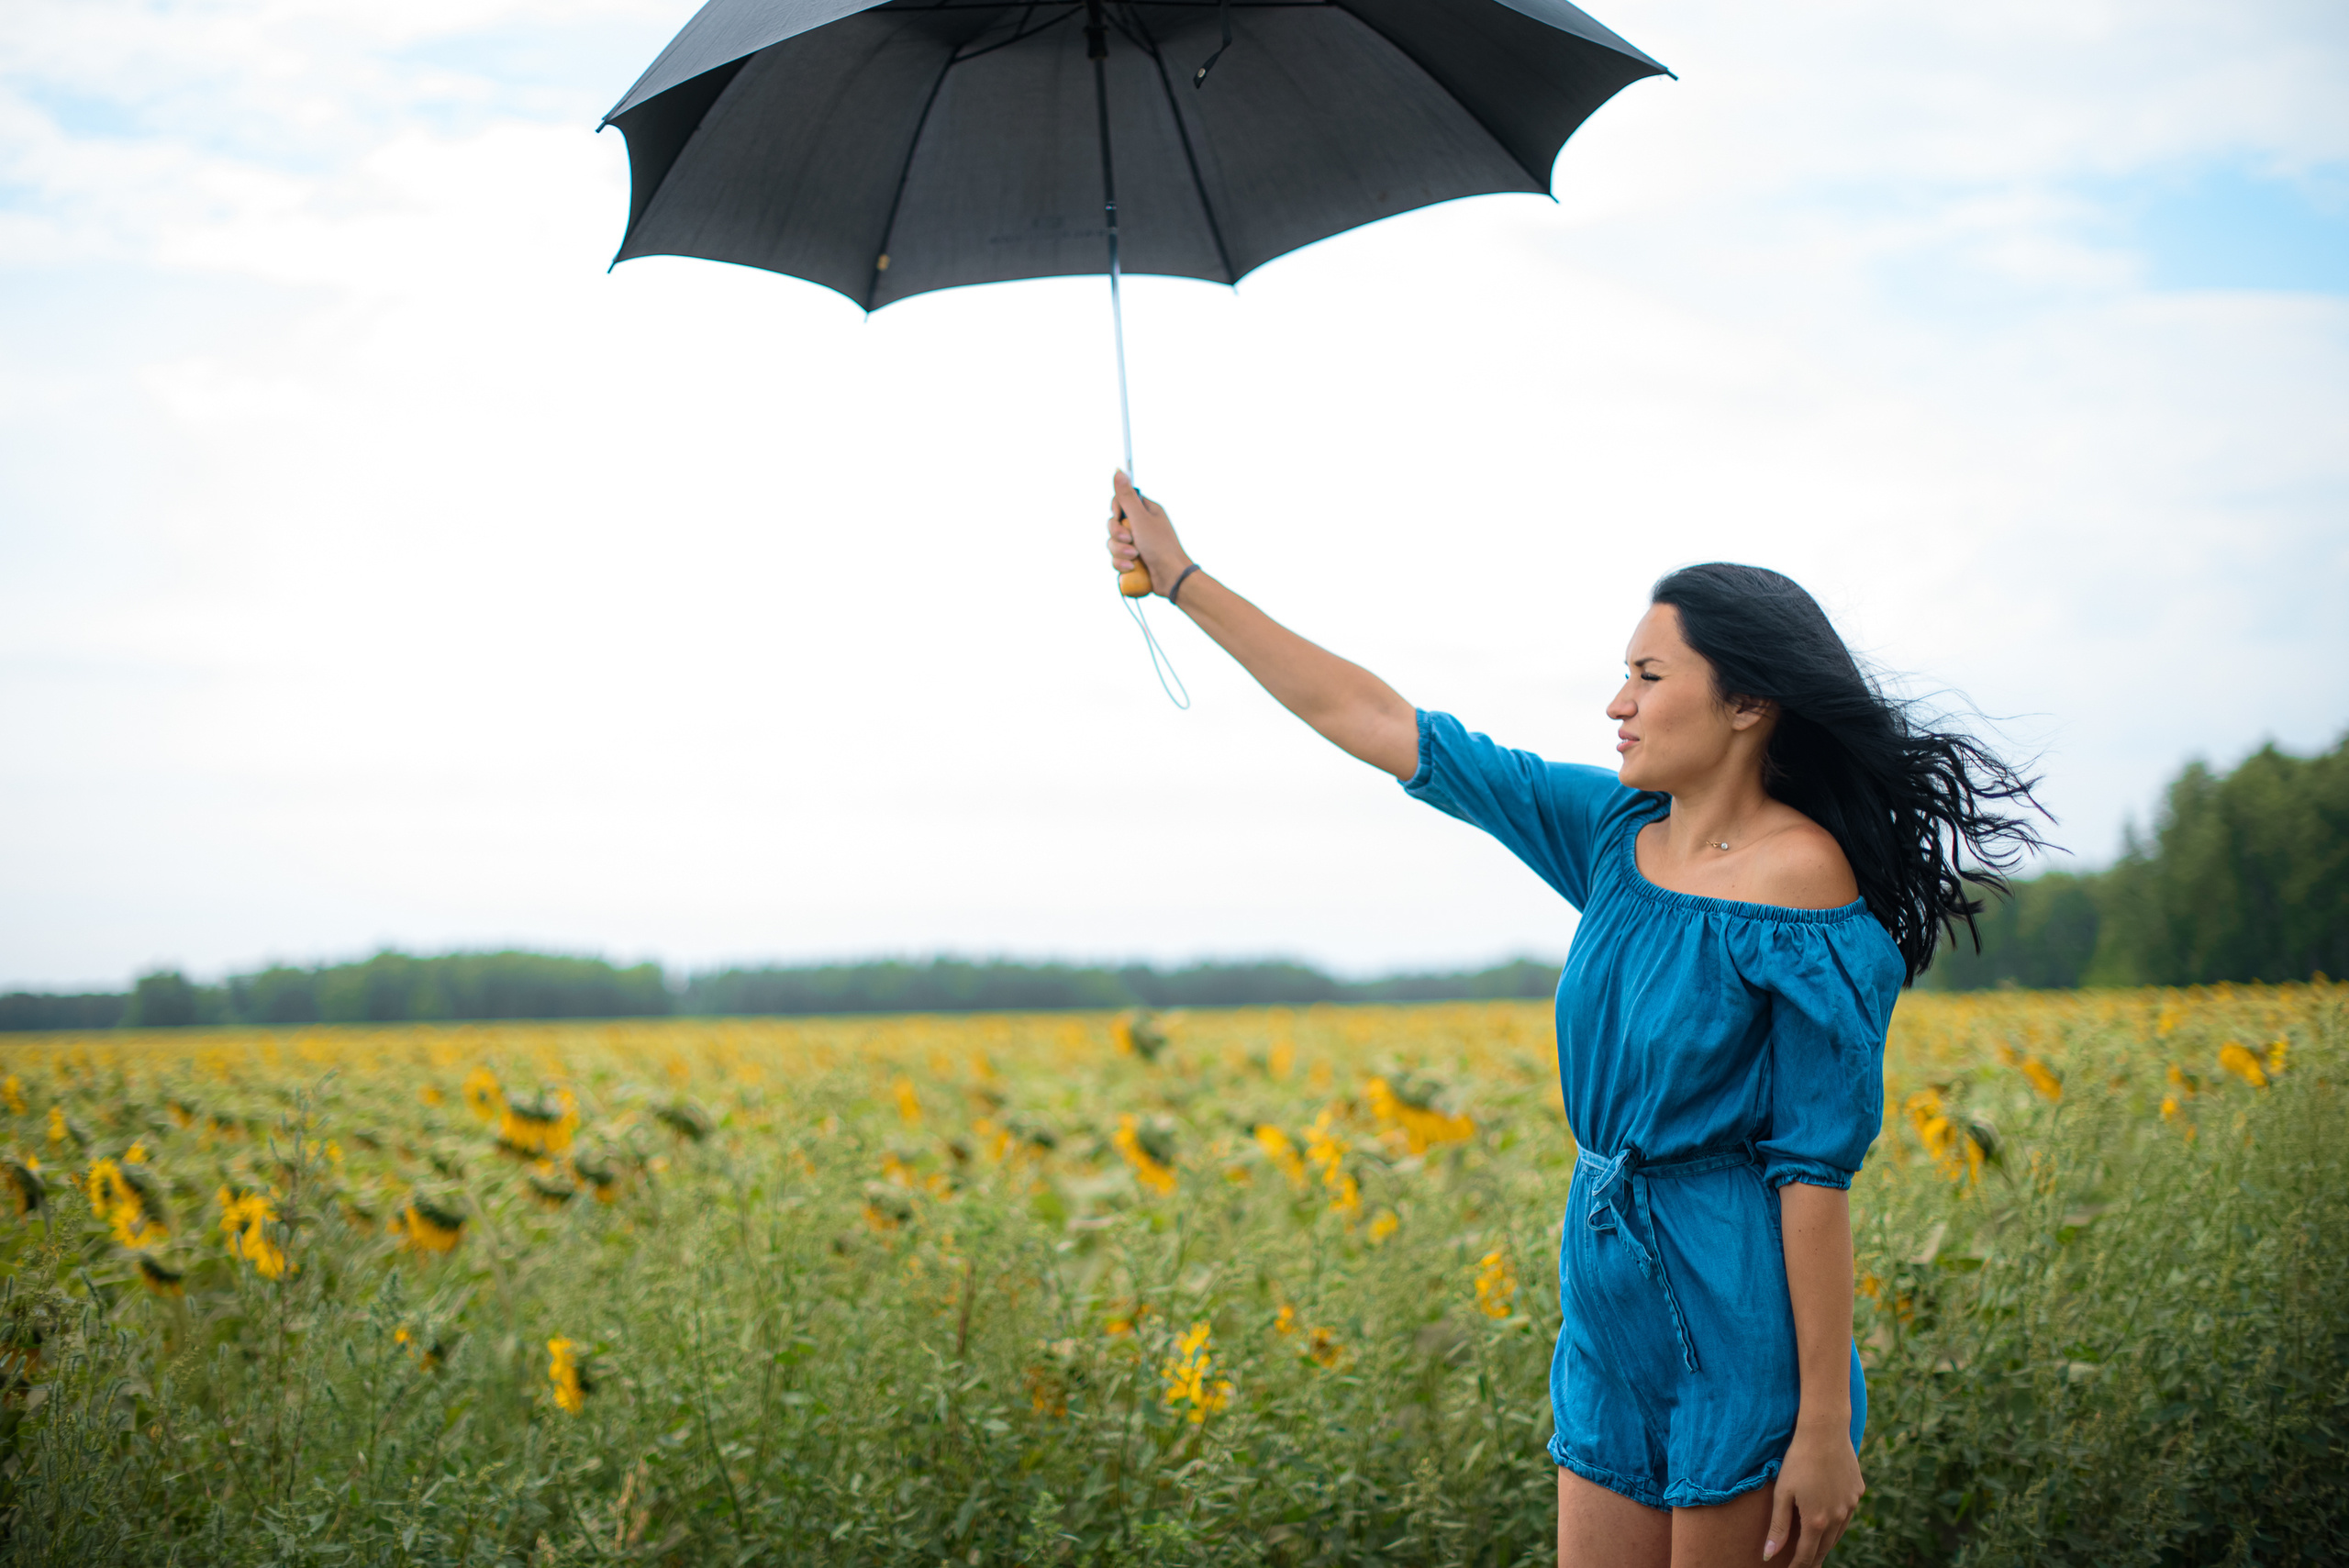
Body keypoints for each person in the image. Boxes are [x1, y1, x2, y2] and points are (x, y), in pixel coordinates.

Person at [1103, 473, 2046, 1568]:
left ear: (1749, 703)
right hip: (1604, 1285)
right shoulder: (1613, 831)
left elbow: (1813, 1178)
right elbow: (1374, 720)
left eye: (1648, 675)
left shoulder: (1802, 884)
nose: (1617, 703)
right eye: (1622, 676)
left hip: (1735, 1302)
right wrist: (1178, 578)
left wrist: (1824, 1423)